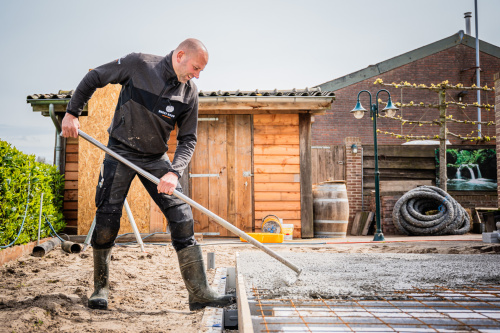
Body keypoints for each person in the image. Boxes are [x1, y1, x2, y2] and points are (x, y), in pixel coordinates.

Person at [61, 38, 234, 311]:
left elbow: (188, 140)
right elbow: (94, 77)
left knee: (182, 217)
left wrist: (174, 173)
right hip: (121, 151)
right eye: (196, 67)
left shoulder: (189, 93)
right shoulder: (139, 64)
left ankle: (199, 293)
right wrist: (72, 112)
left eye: (201, 71)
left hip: (156, 159)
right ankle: (100, 287)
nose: (197, 75)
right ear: (180, 56)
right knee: (107, 217)